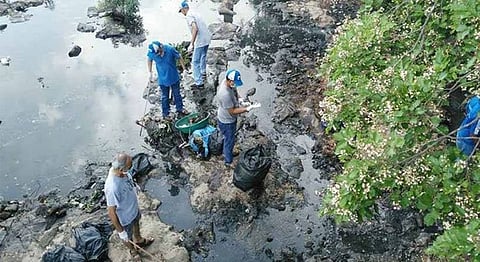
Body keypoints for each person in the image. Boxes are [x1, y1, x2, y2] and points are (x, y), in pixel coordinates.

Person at [104, 153, 154, 262]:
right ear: (121, 169)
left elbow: (130, 180)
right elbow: (111, 212)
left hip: (133, 209)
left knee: (136, 223)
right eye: (129, 167)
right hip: (125, 218)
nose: (131, 168)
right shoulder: (112, 187)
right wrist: (121, 231)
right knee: (127, 236)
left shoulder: (124, 173)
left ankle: (139, 240)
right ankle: (133, 251)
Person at [216, 69, 260, 167]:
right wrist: (247, 108)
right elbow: (232, 111)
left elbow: (235, 92)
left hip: (228, 117)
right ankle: (228, 161)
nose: (235, 85)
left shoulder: (227, 83)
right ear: (230, 81)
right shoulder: (224, 94)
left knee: (229, 138)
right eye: (234, 83)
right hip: (227, 121)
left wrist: (240, 100)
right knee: (229, 140)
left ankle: (227, 153)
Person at [147, 41, 189, 120]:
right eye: (155, 54)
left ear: (161, 47)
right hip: (162, 79)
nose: (157, 55)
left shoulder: (170, 49)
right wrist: (150, 72)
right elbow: (149, 59)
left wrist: (184, 69)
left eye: (158, 52)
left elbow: (179, 57)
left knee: (177, 94)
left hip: (173, 76)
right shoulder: (152, 52)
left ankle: (180, 108)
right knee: (164, 97)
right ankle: (165, 113)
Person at [179, 0, 212, 89]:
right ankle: (203, 72)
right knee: (203, 56)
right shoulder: (195, 12)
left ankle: (199, 82)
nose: (182, 13)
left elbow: (195, 28)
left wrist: (192, 43)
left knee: (195, 61)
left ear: (183, 9)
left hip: (200, 40)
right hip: (207, 38)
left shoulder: (189, 15)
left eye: (181, 11)